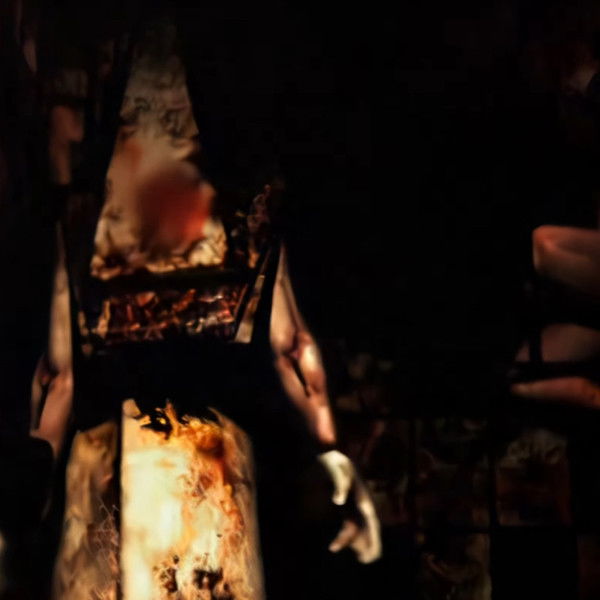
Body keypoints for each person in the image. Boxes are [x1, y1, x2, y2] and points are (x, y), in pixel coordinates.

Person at [28, 5, 380, 599]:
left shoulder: (82, 223)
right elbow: (296, 349)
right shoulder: (248, 216)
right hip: (207, 470)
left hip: (107, 472)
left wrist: (28, 495)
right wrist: (332, 453)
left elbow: (57, 376)